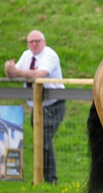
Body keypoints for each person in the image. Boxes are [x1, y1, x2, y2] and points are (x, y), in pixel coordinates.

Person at [4, 30, 65, 184]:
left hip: (53, 104)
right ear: (27, 44)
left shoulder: (49, 55)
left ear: (44, 41)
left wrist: (17, 71)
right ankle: (43, 179)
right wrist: (9, 69)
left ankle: (51, 180)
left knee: (44, 140)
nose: (34, 44)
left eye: (37, 41)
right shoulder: (26, 55)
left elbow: (40, 74)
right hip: (36, 105)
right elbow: (14, 74)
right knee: (40, 142)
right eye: (31, 42)